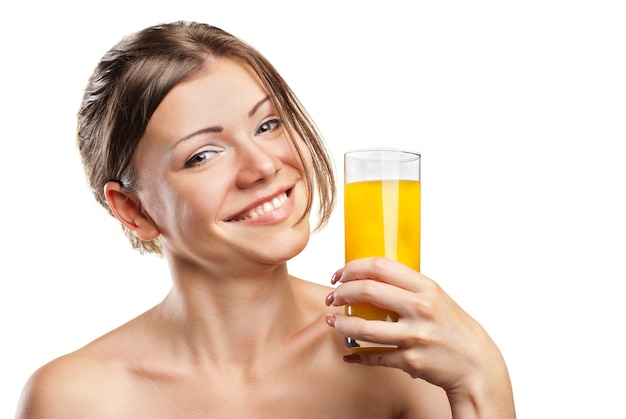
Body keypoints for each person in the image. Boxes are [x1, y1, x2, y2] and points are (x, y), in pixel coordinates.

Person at [15, 21, 515, 418]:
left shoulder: (395, 352)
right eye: (203, 155)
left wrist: (482, 382)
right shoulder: (75, 401)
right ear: (134, 210)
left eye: (268, 124)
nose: (262, 166)